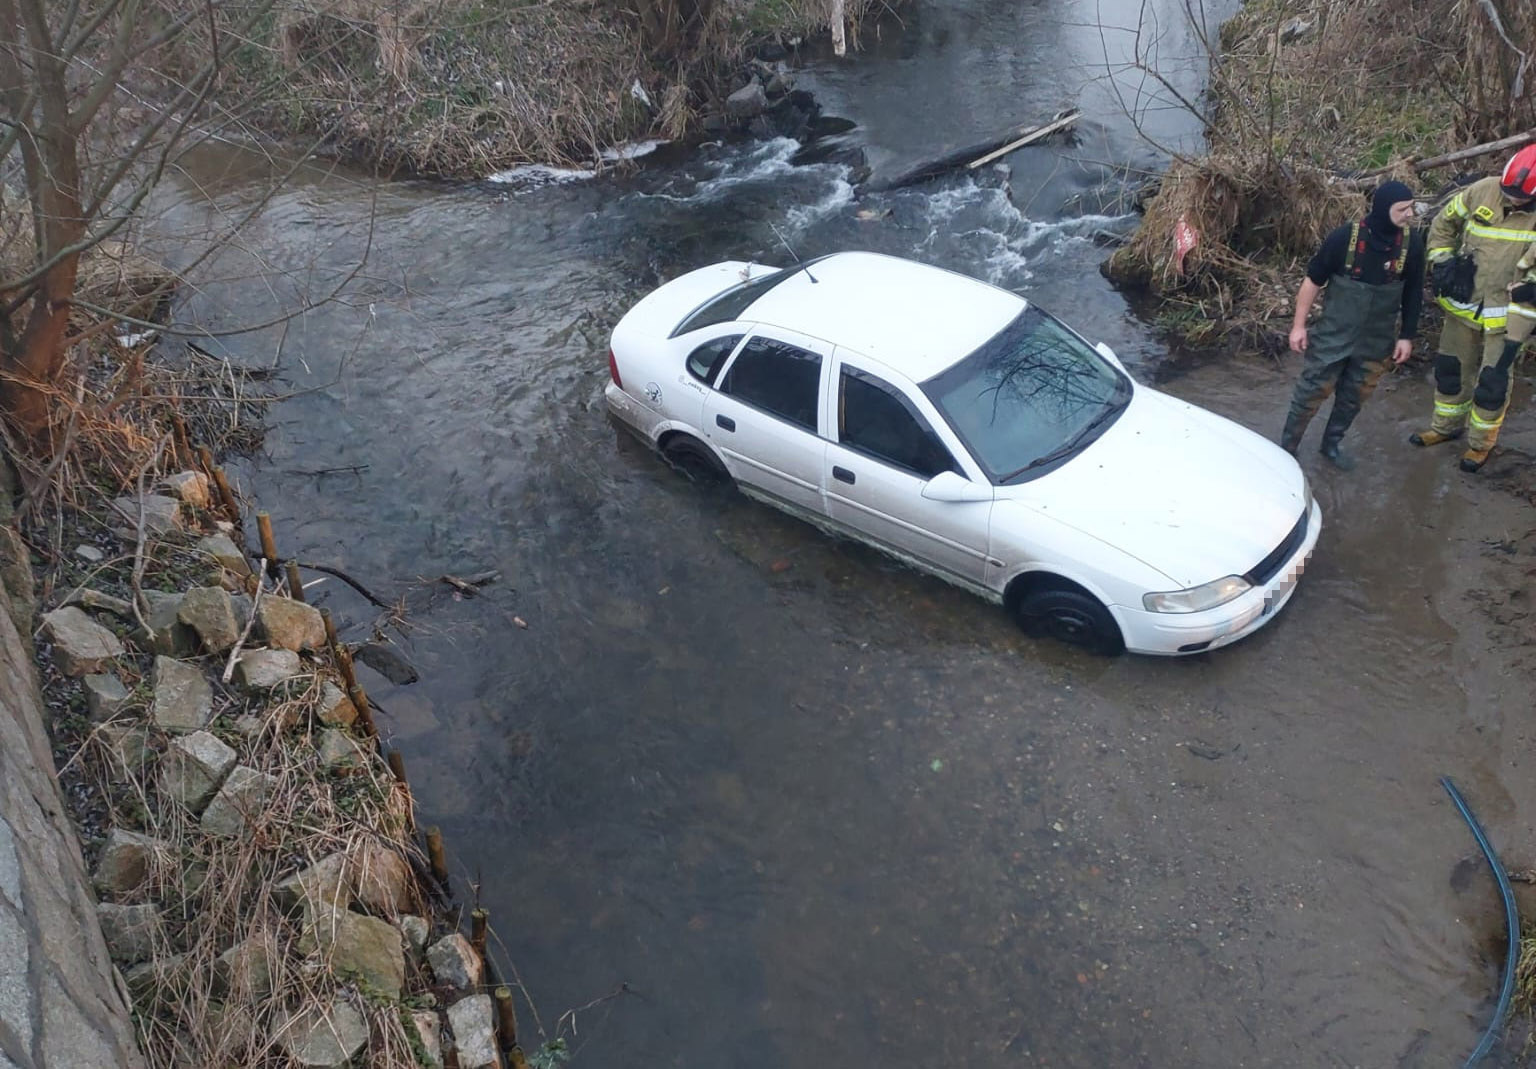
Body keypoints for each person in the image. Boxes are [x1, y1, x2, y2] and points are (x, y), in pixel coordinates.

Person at [1279, 181, 1425, 470]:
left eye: (1411, 208)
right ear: (1384, 209)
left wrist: (1407, 336)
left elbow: (1414, 292)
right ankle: (1287, 449)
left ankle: (1331, 445)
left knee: (1354, 397)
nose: (1409, 214)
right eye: (1402, 209)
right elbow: (1312, 281)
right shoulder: (1345, 238)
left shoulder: (1411, 244)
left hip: (1376, 340)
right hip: (1334, 334)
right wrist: (1298, 326)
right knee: (1311, 391)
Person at [1409, 145, 1536, 472]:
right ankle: (1444, 428)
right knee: (1451, 370)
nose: (1510, 199)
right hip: (1463, 304)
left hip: (1508, 316)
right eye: (1506, 191)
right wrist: (1442, 261)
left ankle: (1481, 445)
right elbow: (1443, 224)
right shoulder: (1481, 190)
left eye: (1519, 197)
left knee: (1492, 383)